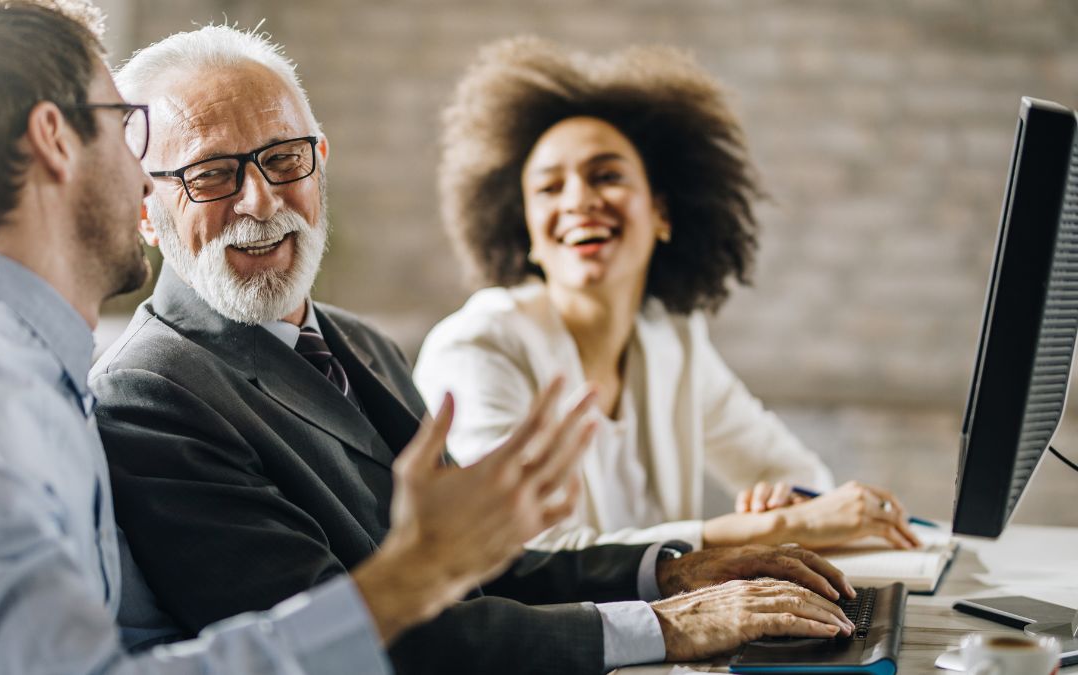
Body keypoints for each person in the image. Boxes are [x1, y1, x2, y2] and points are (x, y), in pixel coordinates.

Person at [91, 24, 857, 675]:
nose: (260, 201)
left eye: (282, 158)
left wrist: (673, 569)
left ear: (320, 162)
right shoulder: (150, 392)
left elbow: (485, 568)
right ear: (146, 212)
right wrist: (670, 626)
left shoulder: (358, 341)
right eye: (211, 175)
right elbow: (358, 638)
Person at [0, 2, 601, 673]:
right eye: (123, 121)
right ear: (54, 139)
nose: (143, 173)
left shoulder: (32, 376)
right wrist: (406, 580)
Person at [415, 36, 921, 553]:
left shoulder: (670, 338)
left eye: (606, 175)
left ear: (662, 214)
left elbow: (796, 474)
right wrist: (771, 529)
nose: (580, 200)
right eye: (549, 188)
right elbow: (529, 557)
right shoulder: (478, 348)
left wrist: (781, 501)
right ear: (527, 231)